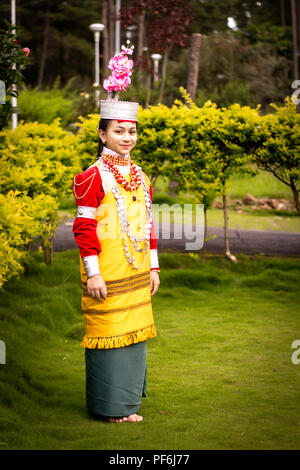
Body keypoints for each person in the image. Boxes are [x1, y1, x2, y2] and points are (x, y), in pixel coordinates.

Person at [72, 42, 160, 423]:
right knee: (107, 334)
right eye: (119, 131)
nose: (127, 137)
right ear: (102, 134)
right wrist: (93, 272)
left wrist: (154, 267)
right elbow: (84, 227)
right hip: (105, 272)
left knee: (134, 335)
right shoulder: (91, 177)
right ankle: (109, 409)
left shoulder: (139, 175)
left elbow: (148, 223)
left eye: (132, 131)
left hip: (137, 271)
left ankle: (128, 406)